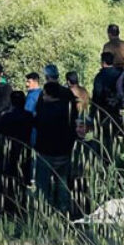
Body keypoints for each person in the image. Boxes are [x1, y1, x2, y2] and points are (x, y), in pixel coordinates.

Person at [34, 80, 76, 214]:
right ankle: (63, 210)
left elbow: (37, 123)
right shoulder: (67, 108)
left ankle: (43, 210)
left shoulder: (44, 110)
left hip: (46, 151)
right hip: (64, 151)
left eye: (44, 94)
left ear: (50, 95)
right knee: (62, 183)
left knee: (42, 184)